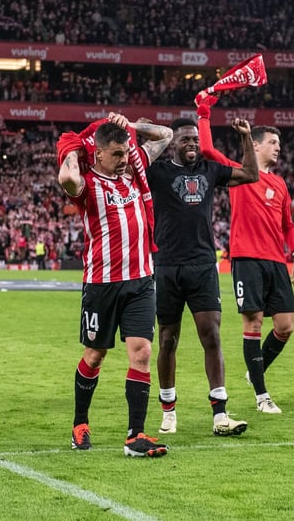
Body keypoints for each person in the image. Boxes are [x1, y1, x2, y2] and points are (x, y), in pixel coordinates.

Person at [59, 113, 173, 457]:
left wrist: (133, 128)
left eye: (126, 152)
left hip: (140, 281)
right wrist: (72, 148)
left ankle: (135, 436)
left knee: (142, 353)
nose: (125, 159)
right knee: (95, 356)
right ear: (98, 155)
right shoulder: (85, 183)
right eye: (117, 154)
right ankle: (80, 424)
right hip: (102, 283)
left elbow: (165, 135)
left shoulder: (135, 173)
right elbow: (66, 175)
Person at [146, 117, 257, 437]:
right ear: (172, 145)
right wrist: (145, 131)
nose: (192, 144)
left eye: (195, 139)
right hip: (167, 265)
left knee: (212, 335)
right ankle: (168, 411)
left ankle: (220, 413)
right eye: (184, 140)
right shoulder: (158, 173)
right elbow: (133, 165)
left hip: (203, 265)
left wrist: (246, 138)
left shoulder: (210, 170)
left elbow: (250, 174)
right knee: (168, 340)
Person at [197, 97, 294, 414]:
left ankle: (254, 369)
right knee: (254, 323)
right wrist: (203, 114)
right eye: (272, 142)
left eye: (279, 143)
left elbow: (288, 225)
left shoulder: (281, 184)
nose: (278, 147)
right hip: (246, 259)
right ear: (255, 146)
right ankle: (261, 395)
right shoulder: (239, 173)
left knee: (285, 326)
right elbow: (206, 151)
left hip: (276, 262)